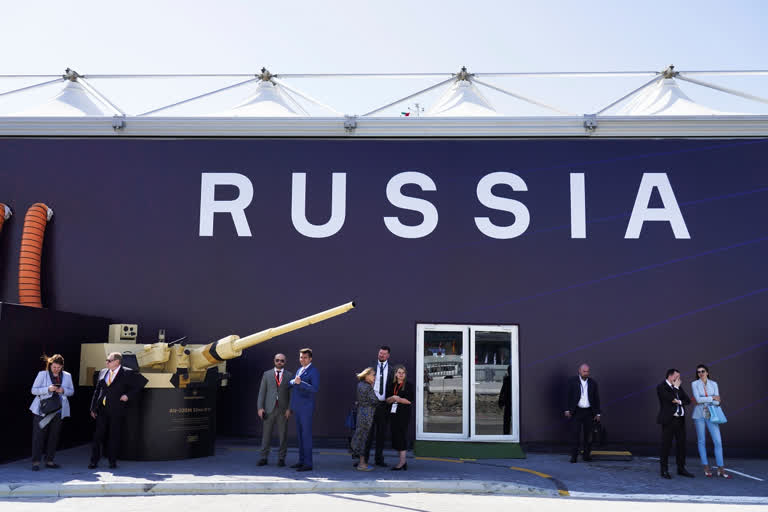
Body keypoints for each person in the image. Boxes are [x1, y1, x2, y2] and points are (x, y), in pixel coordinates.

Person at [89, 352, 148, 469]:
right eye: (107, 360)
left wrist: (128, 395)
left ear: (117, 361)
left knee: (114, 436)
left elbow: (141, 383)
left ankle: (112, 461)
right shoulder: (103, 372)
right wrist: (93, 408)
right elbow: (97, 391)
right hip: (102, 409)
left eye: (109, 360)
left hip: (116, 410)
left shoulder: (127, 372)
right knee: (98, 436)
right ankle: (94, 461)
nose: (106, 362)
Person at [29, 354, 75, 471]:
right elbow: (33, 390)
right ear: (50, 365)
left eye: (59, 367)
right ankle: (36, 462)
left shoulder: (67, 376)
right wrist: (47, 389)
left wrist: (63, 390)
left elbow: (71, 392)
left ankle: (50, 460)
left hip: (58, 411)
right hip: (43, 410)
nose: (56, 369)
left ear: (62, 367)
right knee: (39, 436)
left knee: (54, 436)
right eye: (54, 367)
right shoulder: (42, 374)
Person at [691, 364, 731, 478]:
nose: (701, 373)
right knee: (701, 441)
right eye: (698, 372)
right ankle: (706, 466)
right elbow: (697, 399)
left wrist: (710, 399)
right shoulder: (694, 384)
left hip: (712, 414)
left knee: (718, 441)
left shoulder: (714, 384)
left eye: (703, 371)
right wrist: (712, 398)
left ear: (707, 372)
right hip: (699, 415)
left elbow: (718, 402)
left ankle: (720, 467)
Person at [256, 353, 293, 467]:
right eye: (277, 360)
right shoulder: (266, 374)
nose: (279, 362)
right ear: (274, 361)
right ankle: (263, 457)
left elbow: (291, 394)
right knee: (266, 434)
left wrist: (289, 409)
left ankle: (281, 458)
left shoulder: (289, 375)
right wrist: (260, 407)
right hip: (268, 409)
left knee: (283, 435)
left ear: (285, 362)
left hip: (283, 410)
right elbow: (262, 392)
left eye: (282, 360)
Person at [657, 368, 694, 479]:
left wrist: (679, 400)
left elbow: (688, 400)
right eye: (676, 376)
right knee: (666, 446)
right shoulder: (661, 387)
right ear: (670, 376)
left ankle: (681, 468)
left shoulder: (678, 388)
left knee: (681, 445)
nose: (678, 379)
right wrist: (676, 389)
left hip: (680, 421)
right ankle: (664, 470)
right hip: (669, 421)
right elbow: (670, 399)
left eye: (679, 377)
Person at [289, 348, 318, 472]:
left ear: (310, 358)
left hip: (306, 408)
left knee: (306, 436)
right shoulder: (299, 369)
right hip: (298, 407)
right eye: (301, 357)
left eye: (305, 357)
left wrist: (301, 383)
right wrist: (293, 381)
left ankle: (308, 463)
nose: (302, 359)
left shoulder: (314, 371)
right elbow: (292, 382)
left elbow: (314, 388)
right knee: (300, 436)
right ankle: (301, 461)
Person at [564, 363, 601, 463]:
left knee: (588, 435)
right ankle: (574, 456)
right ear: (579, 371)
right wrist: (567, 410)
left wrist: (598, 413)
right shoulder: (572, 382)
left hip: (589, 412)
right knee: (575, 435)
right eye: (584, 371)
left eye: (588, 371)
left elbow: (596, 399)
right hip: (576, 411)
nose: (586, 373)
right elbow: (567, 396)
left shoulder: (593, 383)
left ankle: (586, 455)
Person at [364, 345, 392, 467]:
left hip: (383, 405)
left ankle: (379, 459)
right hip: (370, 404)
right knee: (368, 434)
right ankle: (363, 459)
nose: (381, 355)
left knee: (381, 433)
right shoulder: (370, 367)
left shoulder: (391, 369)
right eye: (380, 353)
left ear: (388, 355)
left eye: (384, 354)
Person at [350, 367, 378, 471]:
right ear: (367, 376)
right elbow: (375, 401)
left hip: (361, 413)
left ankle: (361, 462)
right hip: (367, 415)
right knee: (364, 439)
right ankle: (362, 464)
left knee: (361, 436)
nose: (374, 377)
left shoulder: (360, 385)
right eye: (373, 375)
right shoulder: (367, 387)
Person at [386, 365, 413, 471]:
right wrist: (392, 398)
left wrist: (398, 399)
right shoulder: (392, 385)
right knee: (396, 436)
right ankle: (403, 461)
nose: (401, 374)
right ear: (396, 374)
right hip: (393, 414)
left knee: (401, 436)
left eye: (403, 373)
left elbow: (409, 400)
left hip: (403, 414)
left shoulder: (408, 385)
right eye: (399, 372)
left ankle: (402, 463)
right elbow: (387, 400)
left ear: (405, 374)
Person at [498, 365, 511, 435]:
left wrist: (501, 402)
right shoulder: (507, 379)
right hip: (509, 402)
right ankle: (506, 433)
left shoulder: (507, 379)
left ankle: (506, 434)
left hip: (508, 402)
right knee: (507, 419)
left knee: (507, 420)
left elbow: (502, 392)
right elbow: (503, 391)